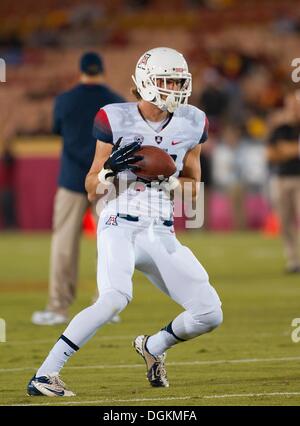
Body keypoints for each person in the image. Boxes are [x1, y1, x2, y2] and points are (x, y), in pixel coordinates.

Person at [27, 47, 223, 396]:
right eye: (167, 80)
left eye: (179, 80)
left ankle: (152, 347)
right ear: (146, 81)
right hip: (120, 222)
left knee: (209, 313)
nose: (175, 87)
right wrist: (108, 171)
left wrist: (173, 181)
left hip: (161, 232)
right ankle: (45, 374)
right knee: (115, 297)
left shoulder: (194, 121)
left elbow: (194, 192)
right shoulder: (114, 118)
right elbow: (90, 186)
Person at [32, 52, 125, 325]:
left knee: (64, 244)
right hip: (107, 180)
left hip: (72, 179)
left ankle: (58, 307)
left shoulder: (64, 100)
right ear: (103, 70)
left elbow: (57, 130)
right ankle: (105, 305)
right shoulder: (117, 102)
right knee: (110, 243)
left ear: (81, 70)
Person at [267, 91, 300, 273]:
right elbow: (271, 154)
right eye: (292, 105)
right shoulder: (281, 128)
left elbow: (282, 151)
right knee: (285, 222)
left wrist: (286, 150)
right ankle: (293, 261)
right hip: (281, 178)